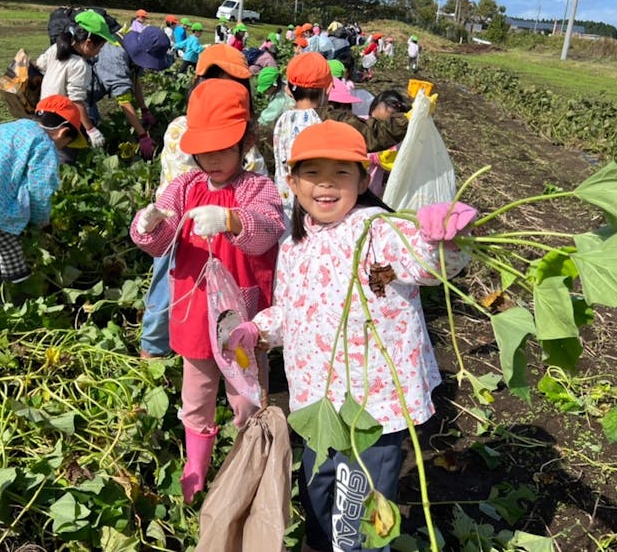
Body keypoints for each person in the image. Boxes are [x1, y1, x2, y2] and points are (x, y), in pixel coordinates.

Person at [224, 120, 474, 552]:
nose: (326, 184)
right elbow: (291, 309)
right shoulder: (293, 243)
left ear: (363, 179)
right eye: (313, 173)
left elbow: (428, 269)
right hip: (317, 398)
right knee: (318, 486)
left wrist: (444, 239)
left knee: (358, 506)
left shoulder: (379, 228)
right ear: (292, 182)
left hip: (373, 402)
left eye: (340, 173)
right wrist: (257, 328)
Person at [130, 78, 285, 504]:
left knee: (246, 395)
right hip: (195, 314)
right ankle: (196, 466)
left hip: (239, 322)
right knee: (196, 395)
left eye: (223, 148)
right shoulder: (184, 187)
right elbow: (163, 244)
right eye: (204, 150)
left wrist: (233, 222)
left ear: (247, 142)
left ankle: (245, 464)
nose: (212, 159)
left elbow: (269, 231)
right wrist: (149, 226)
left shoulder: (258, 189)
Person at [139, 44, 269, 361]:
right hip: (178, 228)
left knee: (217, 297)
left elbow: (255, 180)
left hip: (224, 233)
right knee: (168, 285)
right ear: (199, 85)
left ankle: (219, 352)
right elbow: (187, 179)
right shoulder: (183, 129)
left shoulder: (243, 134)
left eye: (234, 87)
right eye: (215, 84)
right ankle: (154, 350)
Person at [0, 96, 87, 303]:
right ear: (63, 133)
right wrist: (41, 222)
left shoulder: (17, 128)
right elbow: (40, 189)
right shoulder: (44, 143)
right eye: (67, 143)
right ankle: (16, 303)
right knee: (11, 247)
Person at [36, 9, 116, 151]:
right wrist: (91, 130)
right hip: (62, 118)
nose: (100, 51)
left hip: (42, 111)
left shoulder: (56, 48)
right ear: (89, 43)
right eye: (100, 47)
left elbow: (39, 65)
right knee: (65, 153)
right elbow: (76, 101)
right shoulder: (79, 65)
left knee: (45, 148)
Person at [89, 26, 173, 160]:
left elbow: (135, 81)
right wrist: (142, 135)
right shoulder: (115, 55)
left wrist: (144, 109)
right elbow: (123, 101)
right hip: (81, 95)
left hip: (92, 95)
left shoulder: (133, 53)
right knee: (85, 134)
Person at [272, 51, 332, 229]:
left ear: (288, 89)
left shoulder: (283, 119)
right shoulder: (323, 122)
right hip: (314, 202)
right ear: (327, 89)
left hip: (286, 201)